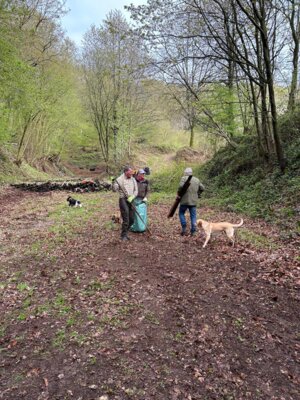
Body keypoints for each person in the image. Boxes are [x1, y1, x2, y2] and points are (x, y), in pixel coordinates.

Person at [112, 166, 138, 241]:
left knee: (132, 219)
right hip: (123, 199)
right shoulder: (119, 179)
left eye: (132, 172)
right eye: (130, 172)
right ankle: (123, 235)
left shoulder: (133, 179)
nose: (131, 173)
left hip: (131, 199)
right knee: (126, 218)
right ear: (126, 172)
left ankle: (126, 231)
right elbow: (114, 190)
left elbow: (136, 190)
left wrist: (133, 196)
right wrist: (113, 183)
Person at [177, 167, 204, 236]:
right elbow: (202, 188)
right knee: (193, 216)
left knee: (181, 213)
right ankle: (193, 231)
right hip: (193, 201)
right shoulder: (196, 179)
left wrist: (179, 193)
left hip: (184, 200)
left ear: (185, 173)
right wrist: (198, 194)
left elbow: (180, 187)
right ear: (191, 173)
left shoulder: (184, 178)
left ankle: (184, 227)